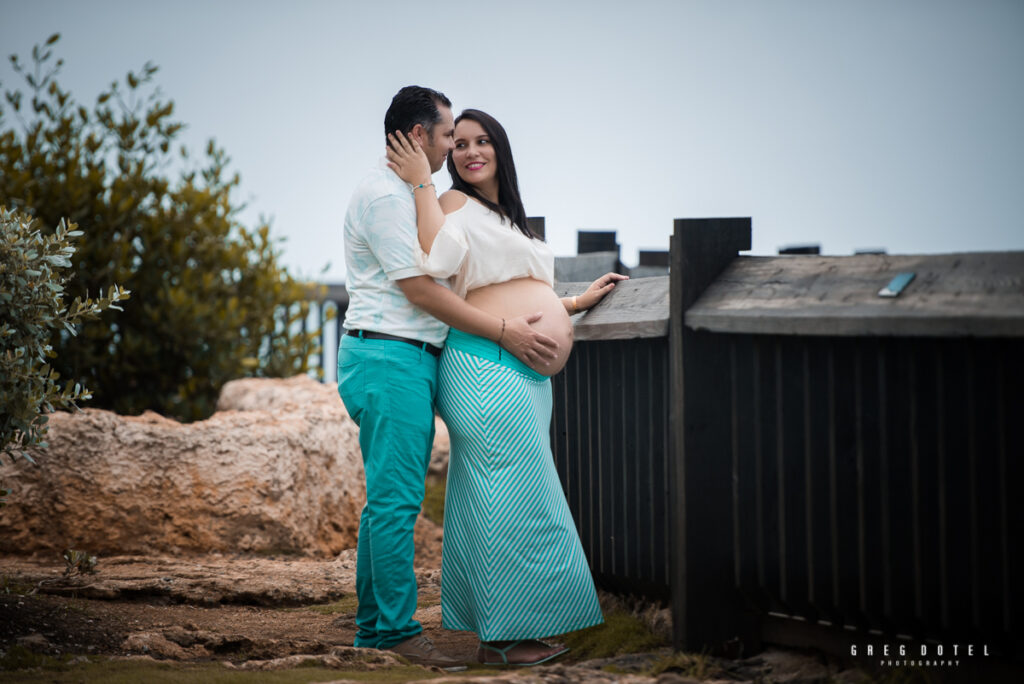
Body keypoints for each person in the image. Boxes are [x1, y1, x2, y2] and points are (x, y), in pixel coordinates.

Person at [385, 108, 628, 666]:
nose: (471, 151)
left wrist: (570, 304)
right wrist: (424, 180)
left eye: (483, 141)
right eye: (461, 142)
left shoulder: (509, 217)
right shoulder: (449, 202)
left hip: (520, 368)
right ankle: (508, 636)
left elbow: (515, 286)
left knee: (491, 494)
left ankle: (495, 631)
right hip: (483, 363)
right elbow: (439, 262)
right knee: (512, 495)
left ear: (501, 148)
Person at [338, 87, 561, 669]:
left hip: (406, 358)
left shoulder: (411, 195)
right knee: (395, 504)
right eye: (446, 136)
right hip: (390, 357)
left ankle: (374, 632)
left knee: (387, 503)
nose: (451, 148)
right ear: (419, 136)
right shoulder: (388, 196)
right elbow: (420, 289)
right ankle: (394, 634)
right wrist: (502, 331)